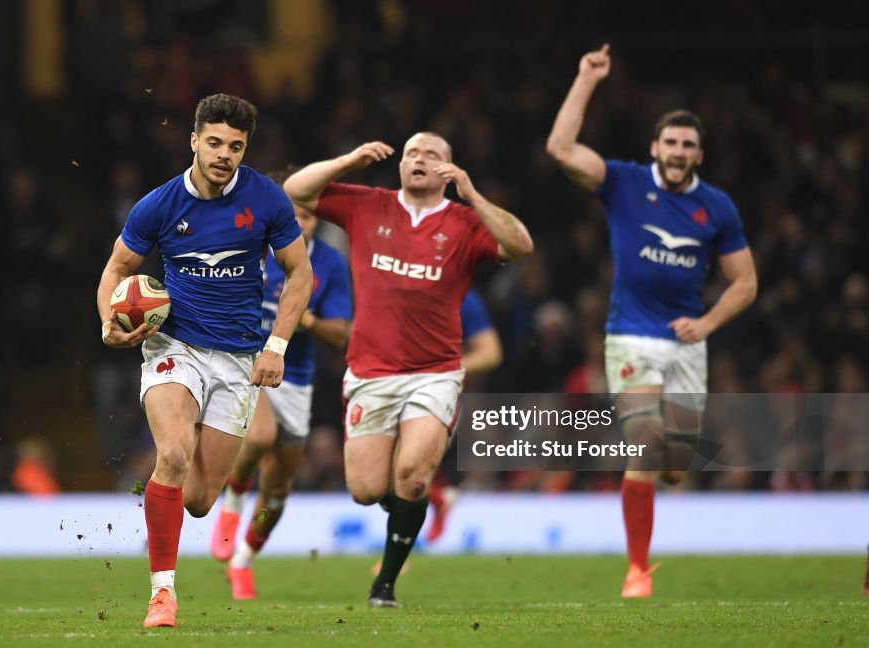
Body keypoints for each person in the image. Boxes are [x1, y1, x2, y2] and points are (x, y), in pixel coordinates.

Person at [283, 133, 533, 607]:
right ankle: (421, 508)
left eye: (432, 155)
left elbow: (520, 245)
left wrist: (473, 194)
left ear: (448, 170)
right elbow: (295, 190)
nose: (419, 160)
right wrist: (348, 160)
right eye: (412, 153)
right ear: (400, 165)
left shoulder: (465, 222)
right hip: (371, 371)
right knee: (365, 489)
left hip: (434, 372)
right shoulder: (368, 205)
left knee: (413, 474)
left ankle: (385, 585)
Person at [546, 44, 758, 598]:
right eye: (671, 141)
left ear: (700, 155)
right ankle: (637, 570)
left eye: (689, 144)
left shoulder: (718, 207)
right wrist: (587, 79)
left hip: (687, 343)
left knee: (673, 468)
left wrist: (708, 324)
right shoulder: (623, 182)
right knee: (644, 443)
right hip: (631, 336)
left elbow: (746, 282)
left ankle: (647, 536)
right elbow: (561, 147)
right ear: (654, 147)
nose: (678, 150)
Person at [96, 94, 313, 628]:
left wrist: (276, 346)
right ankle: (162, 595)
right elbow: (116, 269)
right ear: (193, 140)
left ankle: (172, 500)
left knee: (197, 500)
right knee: (171, 452)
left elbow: (299, 275)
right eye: (214, 142)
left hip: (238, 359)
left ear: (246, 149)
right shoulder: (159, 205)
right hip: (175, 347)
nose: (224, 154)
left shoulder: (267, 200)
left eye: (235, 146)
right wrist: (109, 322)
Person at [208, 200, 353, 600]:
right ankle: (233, 499)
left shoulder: (329, 264)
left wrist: (301, 317)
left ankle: (242, 561)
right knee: (257, 437)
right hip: (246, 364)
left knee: (277, 492)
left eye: (307, 217)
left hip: (296, 380)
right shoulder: (250, 249)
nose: (299, 224)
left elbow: (341, 332)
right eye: (293, 216)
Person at [425, 288, 503, 543]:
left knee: (403, 469)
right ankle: (437, 498)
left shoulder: (463, 298)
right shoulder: (395, 288)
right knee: (375, 475)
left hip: (440, 394)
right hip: (394, 387)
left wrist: (443, 370)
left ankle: (399, 558)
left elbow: (490, 353)